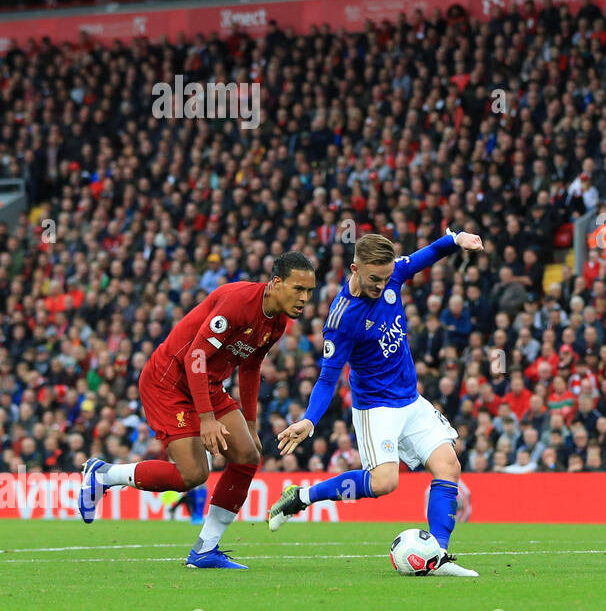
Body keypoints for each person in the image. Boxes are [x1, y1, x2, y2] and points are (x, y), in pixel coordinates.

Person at [78, 252, 317, 569]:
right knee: (192, 475)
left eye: (309, 292)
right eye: (298, 289)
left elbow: (250, 368)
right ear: (276, 283)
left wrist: (249, 423)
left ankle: (205, 550)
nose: (304, 298)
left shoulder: (277, 324)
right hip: (170, 379)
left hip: (209, 384)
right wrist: (206, 419)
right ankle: (105, 474)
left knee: (247, 455)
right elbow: (194, 357)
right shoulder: (239, 302)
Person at [267, 230, 483, 577]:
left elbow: (425, 256)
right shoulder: (342, 320)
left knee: (449, 467)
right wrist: (309, 420)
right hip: (376, 407)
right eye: (374, 279)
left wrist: (454, 240)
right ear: (355, 268)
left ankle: (438, 555)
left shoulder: (391, 273)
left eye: (386, 278)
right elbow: (327, 378)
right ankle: (303, 496)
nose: (382, 285)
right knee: (384, 483)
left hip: (410, 399)